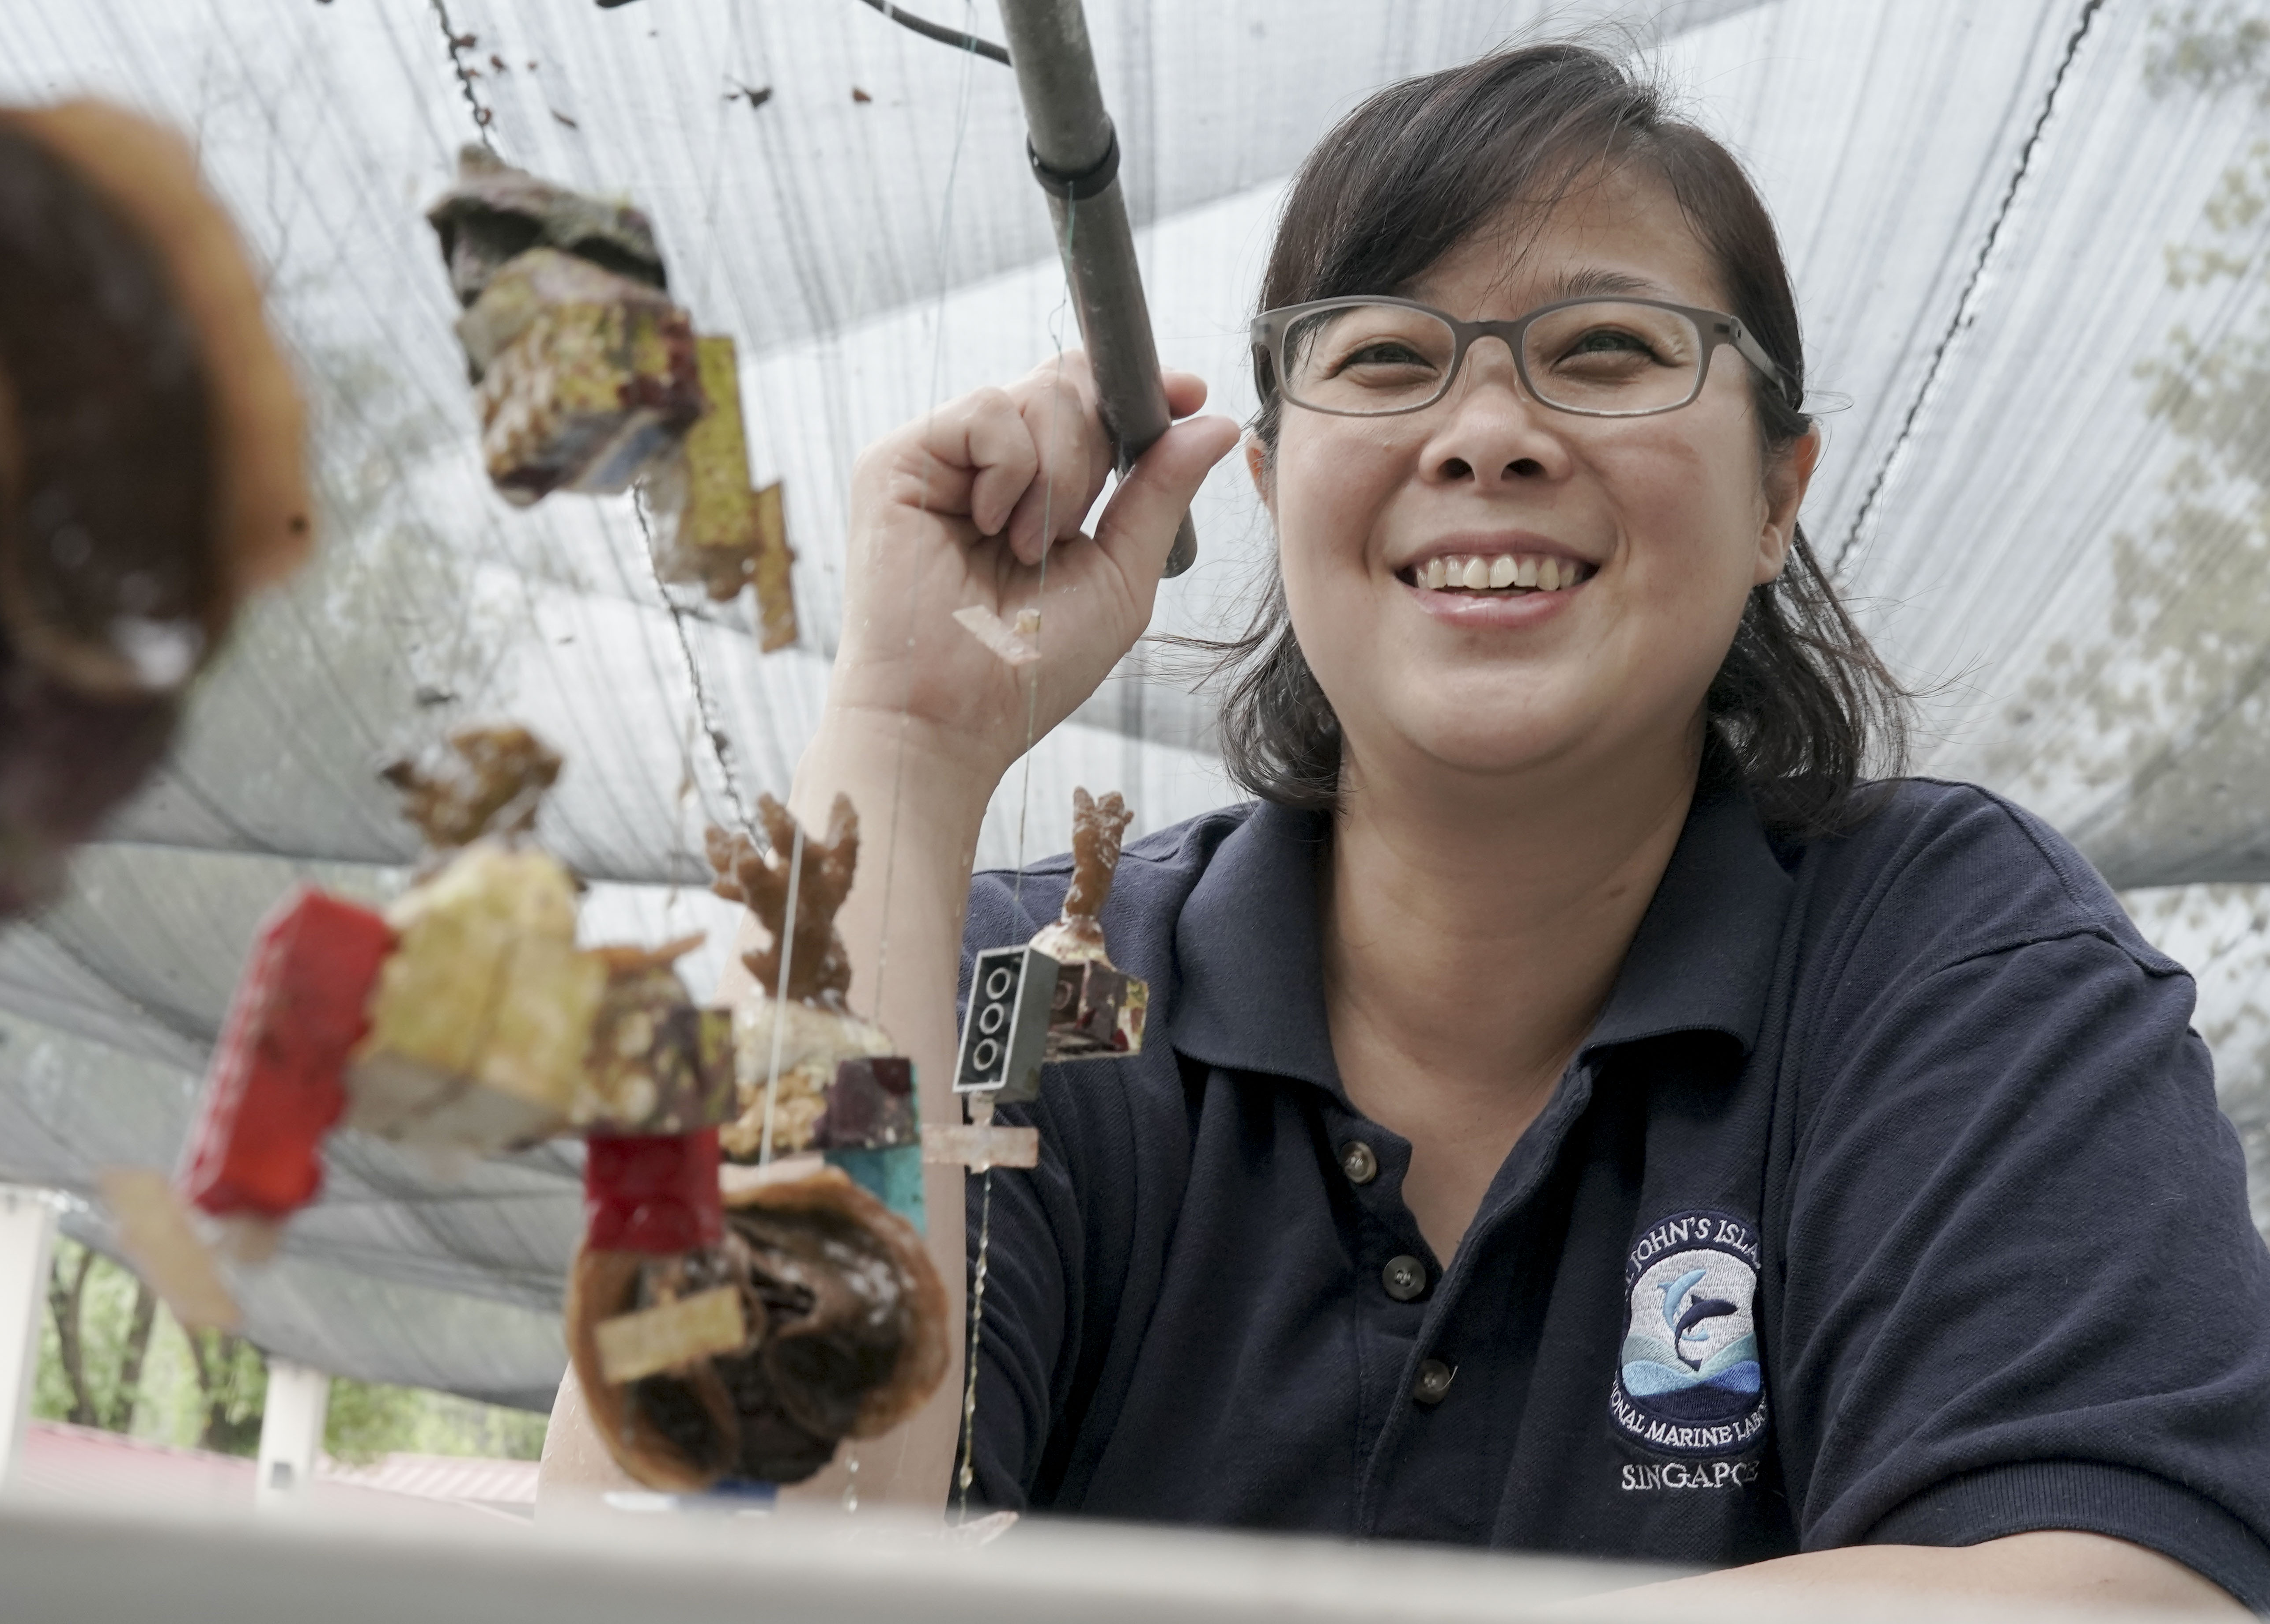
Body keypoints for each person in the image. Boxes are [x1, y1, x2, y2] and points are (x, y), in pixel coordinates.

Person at [544, 43, 2270, 1609]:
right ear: (1279, 474)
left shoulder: (1948, 957)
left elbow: (2114, 1590)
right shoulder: (1006, 997)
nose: (1490, 433)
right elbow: (699, 1547)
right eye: (1387, 358)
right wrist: (904, 754)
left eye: (1605, 349)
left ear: (1777, 494)